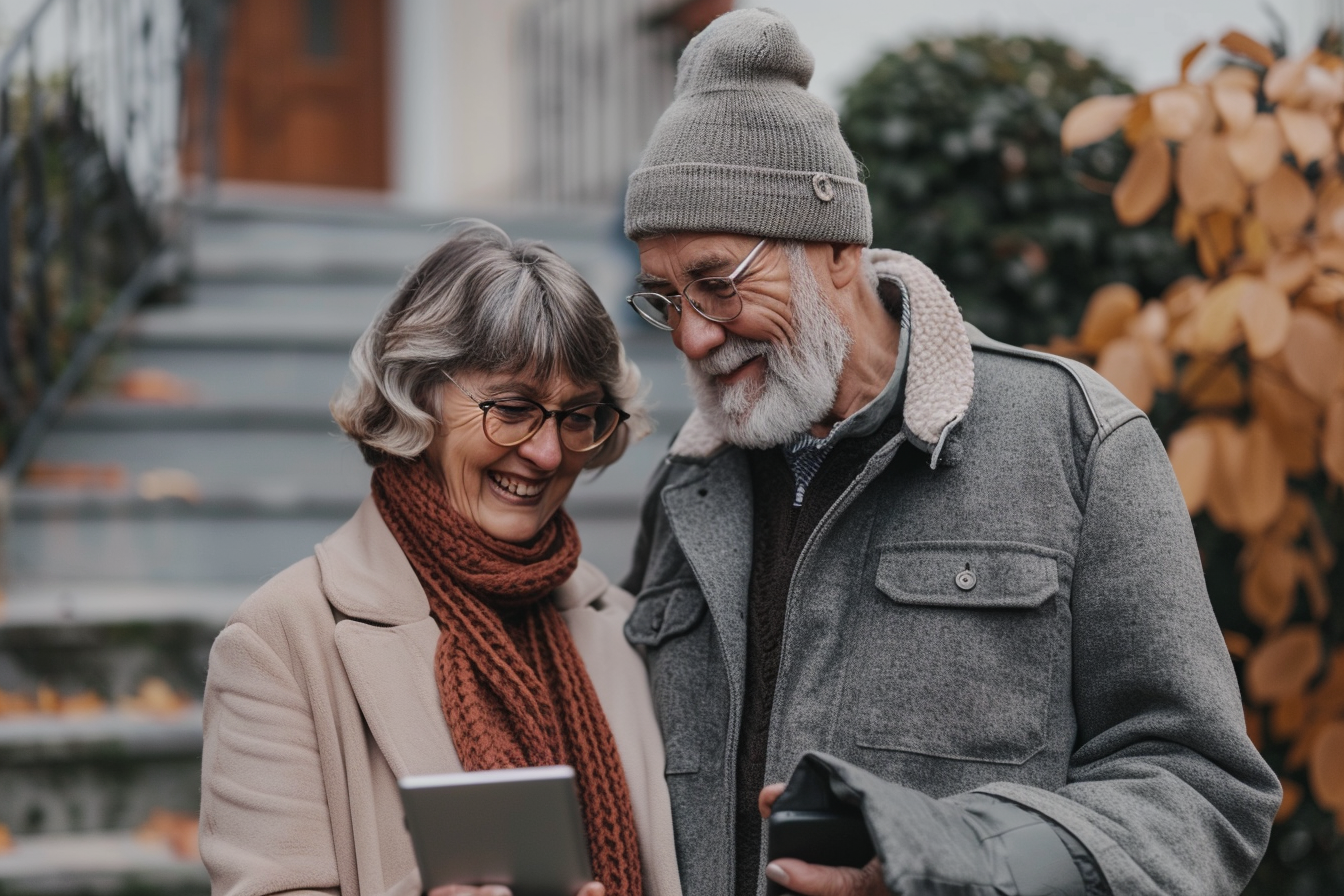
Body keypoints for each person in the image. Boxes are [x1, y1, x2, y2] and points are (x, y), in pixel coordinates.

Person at [619, 9, 1280, 896]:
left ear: (840, 249)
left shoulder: (1077, 440)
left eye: (717, 283)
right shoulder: (685, 489)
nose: (694, 340)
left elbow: (1199, 792)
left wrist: (955, 863)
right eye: (665, 299)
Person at [198, 222, 681, 896]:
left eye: (578, 415)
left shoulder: (627, 628)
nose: (547, 453)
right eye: (512, 409)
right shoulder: (281, 641)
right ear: (417, 392)